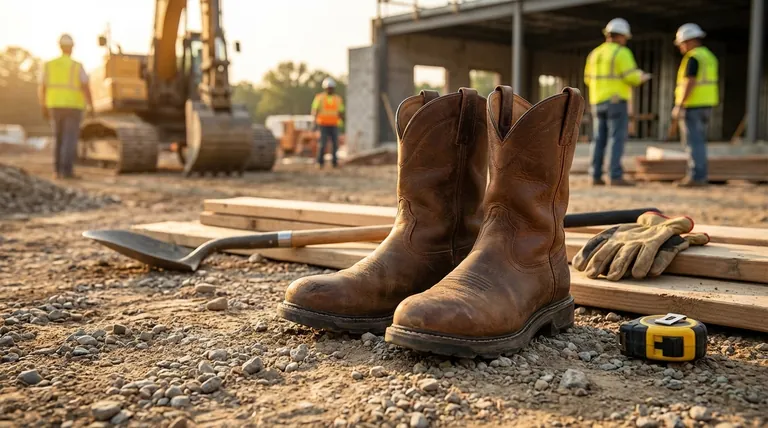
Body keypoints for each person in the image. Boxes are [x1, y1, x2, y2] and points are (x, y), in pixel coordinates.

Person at [584, 18, 652, 186]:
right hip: (616, 101)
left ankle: (595, 175)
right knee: (616, 138)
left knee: (599, 139)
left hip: (597, 101)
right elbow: (631, 76)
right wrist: (642, 77)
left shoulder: (594, 54)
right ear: (621, 36)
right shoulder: (622, 53)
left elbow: (587, 79)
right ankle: (615, 175)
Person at [38, 34, 93, 179]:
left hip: (54, 106)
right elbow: (85, 86)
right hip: (73, 106)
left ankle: (57, 171)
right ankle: (67, 172)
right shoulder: (76, 66)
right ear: (71, 48)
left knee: (59, 138)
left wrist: (43, 105)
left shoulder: (49, 65)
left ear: (60, 47)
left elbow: (42, 87)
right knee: (70, 139)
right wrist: (91, 105)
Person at [672, 23, 719, 187]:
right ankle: (700, 174)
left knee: (693, 142)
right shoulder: (709, 56)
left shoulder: (693, 58)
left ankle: (696, 176)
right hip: (706, 104)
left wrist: (680, 105)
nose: (681, 47)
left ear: (689, 41)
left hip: (693, 105)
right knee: (699, 140)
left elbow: (690, 82)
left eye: (682, 43)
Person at [311, 77, 344, 168]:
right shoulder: (319, 98)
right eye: (328, 88)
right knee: (323, 144)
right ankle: (320, 162)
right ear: (325, 88)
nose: (330, 89)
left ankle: (334, 162)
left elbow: (341, 112)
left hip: (334, 124)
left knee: (335, 144)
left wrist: (342, 123)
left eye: (331, 88)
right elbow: (315, 110)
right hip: (323, 125)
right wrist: (314, 122)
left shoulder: (338, 99)